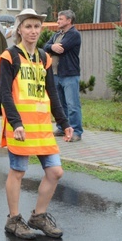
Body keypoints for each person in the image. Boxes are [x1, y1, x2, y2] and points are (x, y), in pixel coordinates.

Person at [0, 8, 73, 239]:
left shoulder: (44, 58)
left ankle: (38, 216)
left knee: (55, 171)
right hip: (19, 126)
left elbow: (51, 92)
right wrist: (15, 122)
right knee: (18, 171)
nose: (33, 31)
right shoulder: (9, 57)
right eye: (28, 26)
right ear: (19, 29)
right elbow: (5, 95)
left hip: (42, 127)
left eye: (37, 26)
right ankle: (13, 219)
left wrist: (64, 122)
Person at [44, 9, 83, 142]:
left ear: (69, 20)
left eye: (60, 19)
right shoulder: (57, 34)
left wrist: (52, 47)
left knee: (73, 105)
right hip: (56, 74)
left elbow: (62, 48)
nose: (58, 21)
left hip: (69, 74)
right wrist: (52, 47)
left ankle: (76, 131)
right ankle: (62, 128)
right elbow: (45, 47)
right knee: (60, 105)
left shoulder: (74, 34)